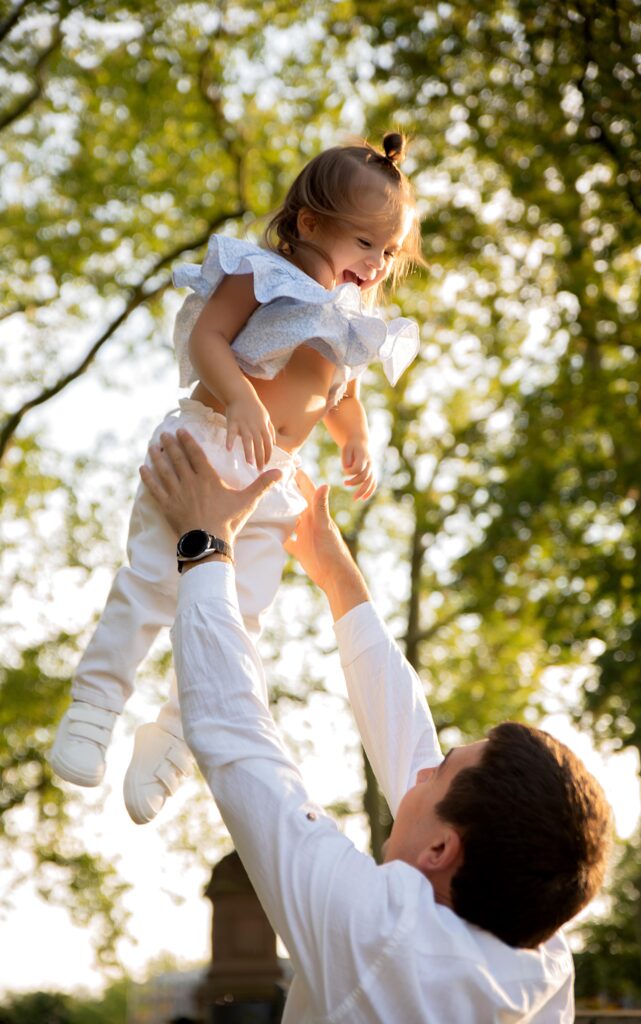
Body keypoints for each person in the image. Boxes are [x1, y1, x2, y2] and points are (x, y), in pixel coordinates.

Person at [142, 429, 612, 1023]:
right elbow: (408, 735)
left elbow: (240, 747)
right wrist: (339, 580)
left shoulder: (383, 945)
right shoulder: (538, 948)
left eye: (438, 773)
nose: (418, 772)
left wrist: (204, 543)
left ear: (441, 849)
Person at [49, 133, 422, 823]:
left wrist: (357, 438)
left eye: (388, 251)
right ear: (311, 225)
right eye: (366, 243)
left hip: (271, 480)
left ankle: (173, 736)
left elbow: (341, 397)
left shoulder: (352, 323)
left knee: (237, 618)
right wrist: (246, 398)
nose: (376, 264)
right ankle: (94, 706)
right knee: (155, 583)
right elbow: (207, 339)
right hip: (209, 444)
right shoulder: (263, 273)